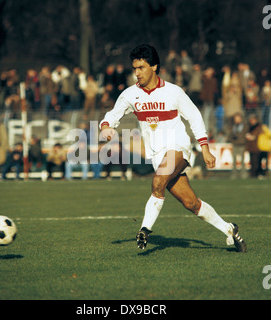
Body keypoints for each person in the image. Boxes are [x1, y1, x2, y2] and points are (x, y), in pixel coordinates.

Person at [100, 44, 246, 252]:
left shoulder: (173, 92)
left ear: (154, 67)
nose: (136, 73)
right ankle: (229, 229)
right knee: (191, 203)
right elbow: (112, 116)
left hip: (178, 146)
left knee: (159, 179)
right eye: (134, 68)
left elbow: (194, 117)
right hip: (156, 154)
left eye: (141, 68)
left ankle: (144, 230)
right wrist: (106, 127)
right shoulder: (130, 95)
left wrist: (204, 147)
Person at [227, 113, 248, 179]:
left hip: (241, 144)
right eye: (235, 119)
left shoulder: (244, 126)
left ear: (240, 119)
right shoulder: (233, 126)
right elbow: (230, 135)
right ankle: (234, 174)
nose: (236, 120)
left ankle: (243, 174)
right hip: (235, 144)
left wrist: (238, 137)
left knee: (242, 161)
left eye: (237, 118)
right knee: (234, 161)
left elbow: (244, 135)